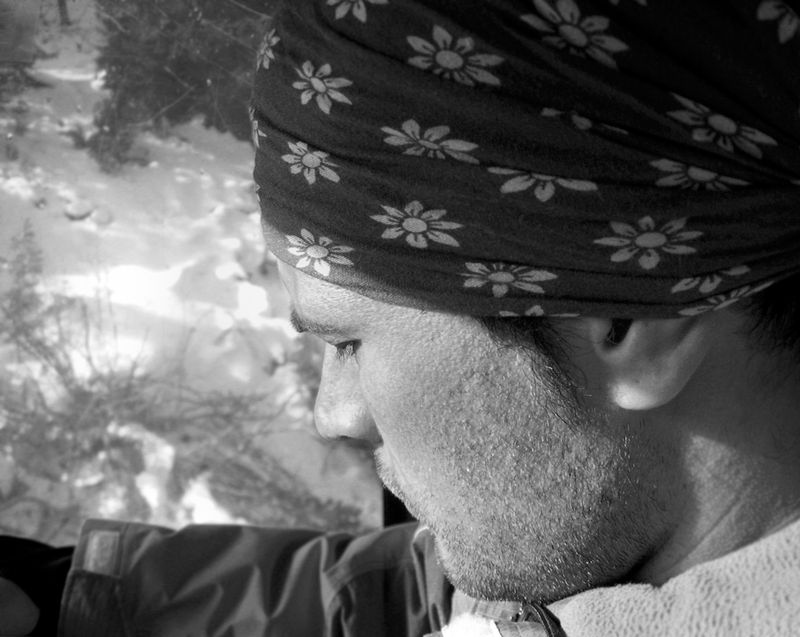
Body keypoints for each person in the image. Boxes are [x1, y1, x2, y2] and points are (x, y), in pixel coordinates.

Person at [2, 0, 800, 634]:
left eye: (349, 341)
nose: (333, 416)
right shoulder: (580, 537)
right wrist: (63, 599)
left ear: (632, 323)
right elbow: (407, 592)